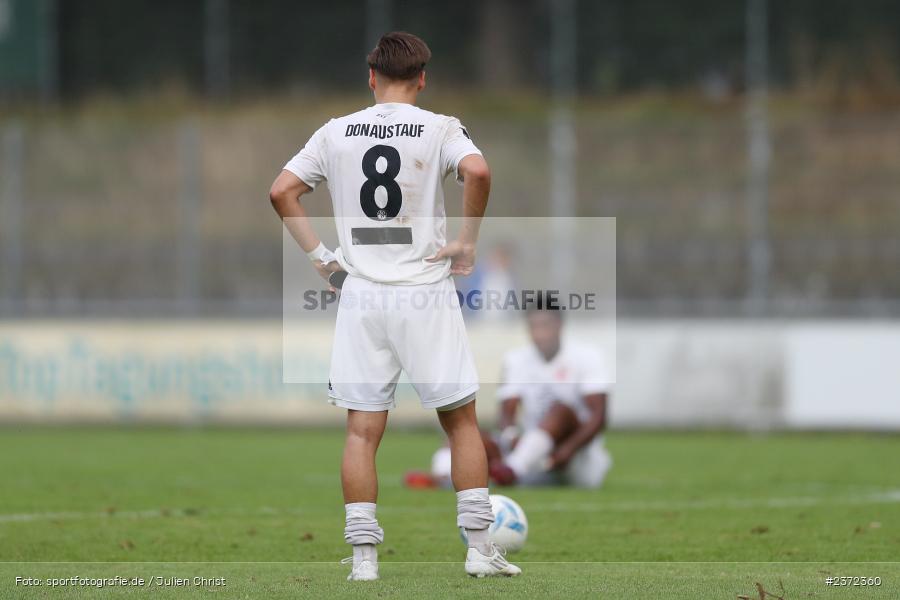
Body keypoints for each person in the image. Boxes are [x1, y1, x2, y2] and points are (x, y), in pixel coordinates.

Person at [269, 32, 520, 581]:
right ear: (423, 78)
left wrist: (322, 260)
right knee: (460, 424)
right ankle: (479, 550)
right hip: (425, 291)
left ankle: (363, 562)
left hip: (361, 295)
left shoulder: (335, 132)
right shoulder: (441, 127)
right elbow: (477, 172)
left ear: (371, 77)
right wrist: (469, 239)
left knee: (362, 431)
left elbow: (281, 191)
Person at [425, 303, 612, 489]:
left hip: (576, 456)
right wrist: (511, 436)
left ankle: (512, 469)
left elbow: (598, 416)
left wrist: (567, 450)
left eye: (545, 325)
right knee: (465, 432)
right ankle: (441, 475)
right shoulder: (516, 359)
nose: (539, 333)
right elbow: (507, 411)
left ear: (559, 325)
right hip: (529, 451)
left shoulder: (587, 356)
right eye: (533, 326)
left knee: (560, 410)